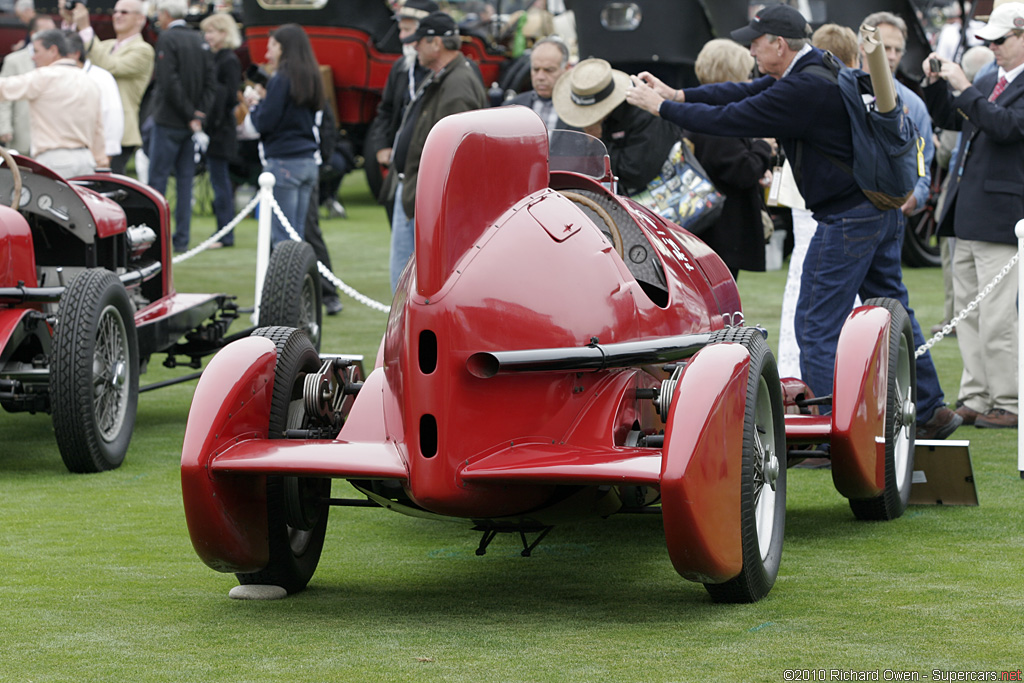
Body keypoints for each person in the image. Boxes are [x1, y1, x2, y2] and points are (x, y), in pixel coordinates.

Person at [625, 3, 962, 440]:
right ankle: (932, 409)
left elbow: (731, 119)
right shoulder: (816, 66)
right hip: (876, 211)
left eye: (756, 41)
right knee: (897, 311)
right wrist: (678, 96)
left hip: (846, 218)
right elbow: (742, 93)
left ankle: (830, 434)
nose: (750, 48)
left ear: (779, 45)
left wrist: (662, 108)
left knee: (815, 325)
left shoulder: (801, 89)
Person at [924, 2, 1024, 429]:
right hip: (968, 211)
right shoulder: (989, 78)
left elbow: (1005, 127)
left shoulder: (986, 82)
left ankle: (1010, 400)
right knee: (966, 313)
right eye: (989, 41)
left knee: (999, 317)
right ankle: (977, 394)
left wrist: (965, 87)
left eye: (1001, 40)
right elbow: (952, 117)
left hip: (1002, 216)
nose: (993, 48)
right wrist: (934, 85)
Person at [387, 11, 487, 292]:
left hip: (427, 196)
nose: (414, 47)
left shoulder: (456, 84)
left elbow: (452, 155)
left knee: (408, 285)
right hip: (419, 191)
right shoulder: (448, 76)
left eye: (419, 41)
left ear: (436, 44)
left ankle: (407, 336)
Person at [685, 38, 774, 280]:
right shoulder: (717, 118)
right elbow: (742, 170)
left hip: (705, 231)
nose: (750, 81)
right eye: (745, 75)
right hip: (721, 233)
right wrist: (763, 147)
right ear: (730, 75)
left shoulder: (695, 109)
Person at [552, 58, 680, 196]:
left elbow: (635, 174)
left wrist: (597, 141)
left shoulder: (643, 113)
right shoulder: (587, 124)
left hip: (669, 198)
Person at [147, 0, 215, 254]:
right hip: (190, 124)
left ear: (165, 15)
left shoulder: (167, 39)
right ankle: (182, 239)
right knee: (186, 183)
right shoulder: (200, 40)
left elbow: (168, 81)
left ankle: (155, 238)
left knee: (158, 182)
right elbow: (211, 82)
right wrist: (198, 114)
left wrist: (189, 113)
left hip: (169, 122)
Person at [245, 23, 323, 246]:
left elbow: (265, 122)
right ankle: (299, 281)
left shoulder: (282, 78)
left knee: (283, 238)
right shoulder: (311, 76)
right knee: (296, 235)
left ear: (283, 47)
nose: (268, 53)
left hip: (284, 161)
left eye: (273, 46)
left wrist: (256, 105)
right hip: (307, 160)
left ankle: (287, 282)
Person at [364, 0, 438, 223]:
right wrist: (380, 146)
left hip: (430, 172)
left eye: (407, 30)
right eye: (401, 29)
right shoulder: (400, 68)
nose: (401, 36)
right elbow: (385, 112)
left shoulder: (446, 72)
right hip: (400, 172)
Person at [0, 28, 106, 177]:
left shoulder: (44, 77)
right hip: (87, 161)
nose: (33, 57)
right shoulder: (89, 81)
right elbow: (98, 129)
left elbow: (4, 88)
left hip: (55, 161)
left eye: (36, 51)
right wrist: (101, 162)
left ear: (53, 51)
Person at [860, 12, 935, 218]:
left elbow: (923, 165)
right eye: (885, 48)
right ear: (863, 47)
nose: (892, 56)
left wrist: (914, 198)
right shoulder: (842, 91)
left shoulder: (914, 105)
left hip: (892, 216)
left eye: (898, 50)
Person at [70, 0, 154, 176]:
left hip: (120, 132)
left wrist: (86, 27)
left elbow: (109, 66)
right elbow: (75, 57)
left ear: (140, 19)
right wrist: (71, 20)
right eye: (115, 11)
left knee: (108, 186)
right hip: (93, 127)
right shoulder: (106, 45)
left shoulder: (143, 50)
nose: (117, 15)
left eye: (124, 12)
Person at [200, 11, 242, 249]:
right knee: (219, 182)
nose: (207, 36)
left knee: (221, 183)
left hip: (221, 130)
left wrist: (209, 122)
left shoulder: (228, 60)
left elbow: (225, 98)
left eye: (211, 31)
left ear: (224, 33)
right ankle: (223, 232)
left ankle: (225, 234)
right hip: (217, 128)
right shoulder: (217, 58)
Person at [0, 14, 57, 156]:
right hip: (21, 133)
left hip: (51, 137)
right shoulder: (14, 60)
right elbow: (3, 97)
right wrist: (4, 127)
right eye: (46, 32)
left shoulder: (58, 61)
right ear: (33, 34)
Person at [65, 30, 124, 162]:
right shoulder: (53, 77)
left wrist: (105, 157)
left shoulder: (101, 78)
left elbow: (113, 117)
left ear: (75, 54)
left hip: (94, 157)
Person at [503, 36, 575, 131]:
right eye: (536, 69)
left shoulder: (581, 111)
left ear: (566, 68)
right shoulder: (512, 109)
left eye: (549, 70)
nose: (540, 77)